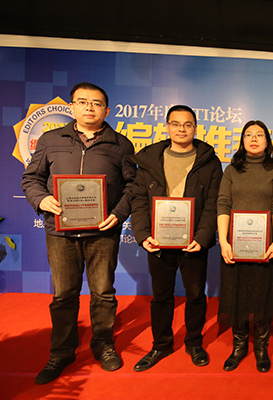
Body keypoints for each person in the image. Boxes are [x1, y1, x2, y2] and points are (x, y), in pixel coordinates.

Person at [22, 82, 136, 385]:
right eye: (83, 102)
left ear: (106, 110)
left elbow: (132, 186)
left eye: (96, 103)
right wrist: (41, 199)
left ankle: (103, 344)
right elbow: (31, 179)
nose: (89, 107)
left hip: (102, 233)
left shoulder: (121, 144)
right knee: (64, 295)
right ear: (72, 107)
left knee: (103, 293)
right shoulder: (50, 139)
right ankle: (61, 351)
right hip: (60, 233)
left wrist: (118, 213)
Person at [130, 105, 222, 371]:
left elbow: (213, 203)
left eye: (187, 124)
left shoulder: (209, 162)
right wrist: (143, 235)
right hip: (158, 241)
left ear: (195, 128)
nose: (182, 129)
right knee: (161, 297)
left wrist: (202, 237)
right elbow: (138, 200)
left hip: (193, 241)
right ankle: (161, 345)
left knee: (195, 295)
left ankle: (194, 342)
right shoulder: (148, 160)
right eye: (176, 124)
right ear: (167, 126)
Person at [216, 120, 273, 373]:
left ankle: (261, 347)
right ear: (242, 140)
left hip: (265, 244)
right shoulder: (231, 170)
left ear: (267, 141)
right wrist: (223, 241)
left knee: (262, 293)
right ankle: (239, 346)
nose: (254, 139)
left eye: (259, 135)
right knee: (236, 293)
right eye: (248, 135)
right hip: (234, 244)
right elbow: (223, 204)